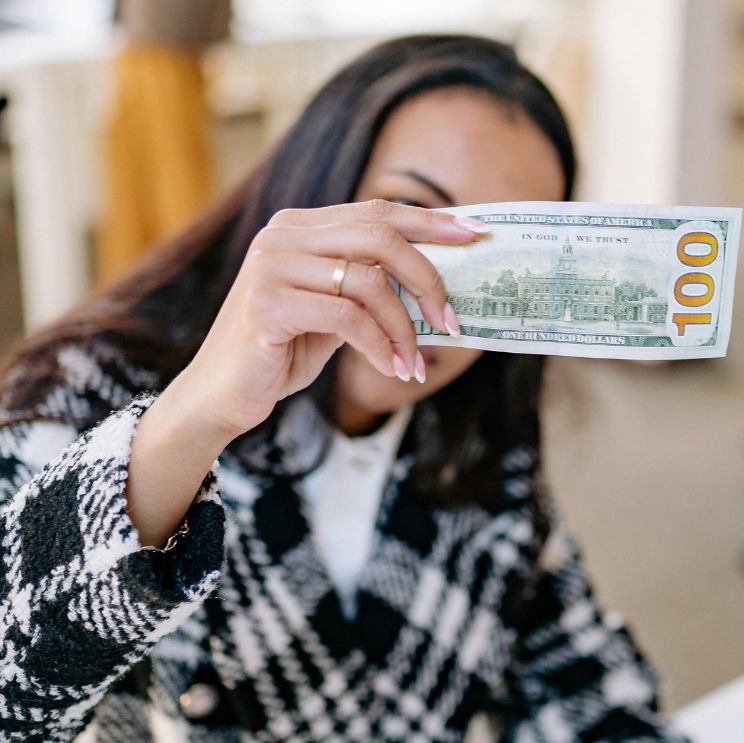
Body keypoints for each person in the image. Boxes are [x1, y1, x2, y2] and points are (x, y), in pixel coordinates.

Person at [0, 35, 686, 742]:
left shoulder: (480, 438)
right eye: (412, 215)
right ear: (315, 185)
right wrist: (194, 416)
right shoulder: (83, 391)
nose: (437, 288)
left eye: (504, 257)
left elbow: (582, 686)